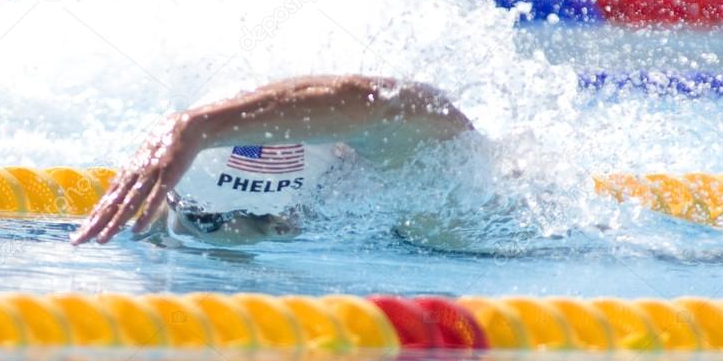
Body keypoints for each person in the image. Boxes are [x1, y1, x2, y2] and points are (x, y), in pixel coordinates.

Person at [71, 75, 474, 246]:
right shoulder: (161, 215)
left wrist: (198, 127)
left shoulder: (433, 200)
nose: (229, 231)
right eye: (201, 216)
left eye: (264, 218)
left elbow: (388, 102)